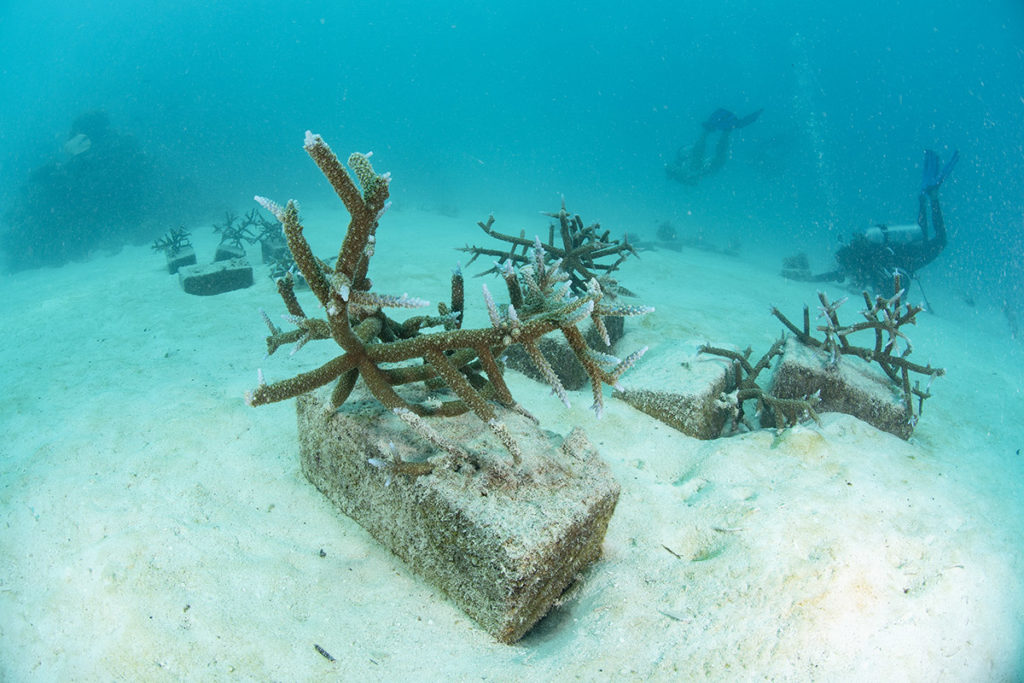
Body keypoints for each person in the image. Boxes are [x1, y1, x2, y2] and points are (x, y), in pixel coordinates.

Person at [783, 148, 959, 294]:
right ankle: (926, 197)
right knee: (926, 235)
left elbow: (835, 275)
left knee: (935, 239)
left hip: (907, 257)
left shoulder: (860, 265)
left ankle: (929, 197)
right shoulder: (863, 257)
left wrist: (809, 279)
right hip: (904, 253)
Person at [665, 107, 763, 186]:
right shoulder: (693, 173)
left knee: (699, 161)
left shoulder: (683, 168)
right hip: (693, 167)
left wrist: (681, 173)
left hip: (688, 160)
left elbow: (672, 167)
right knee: (718, 161)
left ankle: (713, 130)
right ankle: (725, 130)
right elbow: (692, 178)